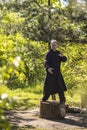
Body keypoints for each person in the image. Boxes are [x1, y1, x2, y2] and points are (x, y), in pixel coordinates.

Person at [42, 39, 67, 104]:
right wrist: (48, 68)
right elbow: (46, 62)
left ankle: (62, 100)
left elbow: (64, 60)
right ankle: (44, 99)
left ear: (57, 45)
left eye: (55, 45)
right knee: (48, 87)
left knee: (60, 87)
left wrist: (62, 56)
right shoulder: (48, 54)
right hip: (51, 73)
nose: (53, 46)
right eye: (52, 45)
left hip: (58, 73)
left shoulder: (58, 53)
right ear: (51, 45)